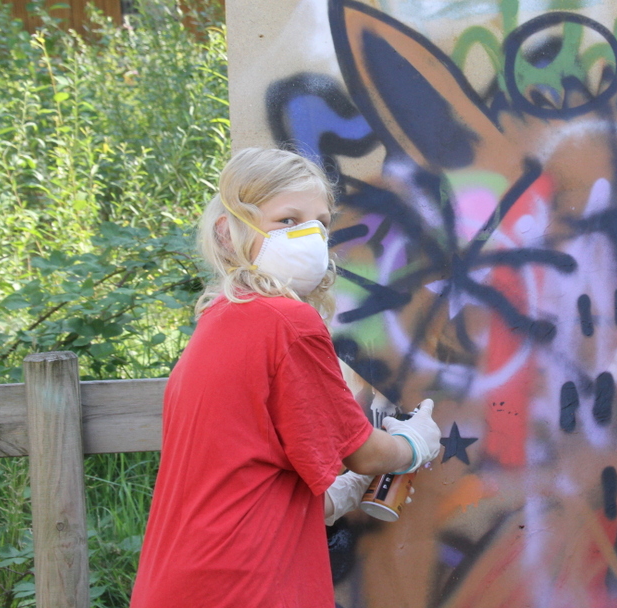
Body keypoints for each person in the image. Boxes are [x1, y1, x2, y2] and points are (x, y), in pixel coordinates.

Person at [131, 147, 441, 608]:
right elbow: (363, 453)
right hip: (245, 587)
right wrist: (413, 444)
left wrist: (337, 494)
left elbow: (242, 478)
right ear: (229, 232)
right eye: (287, 220)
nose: (310, 236)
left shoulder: (220, 320)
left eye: (321, 224)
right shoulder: (287, 322)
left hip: (184, 581)